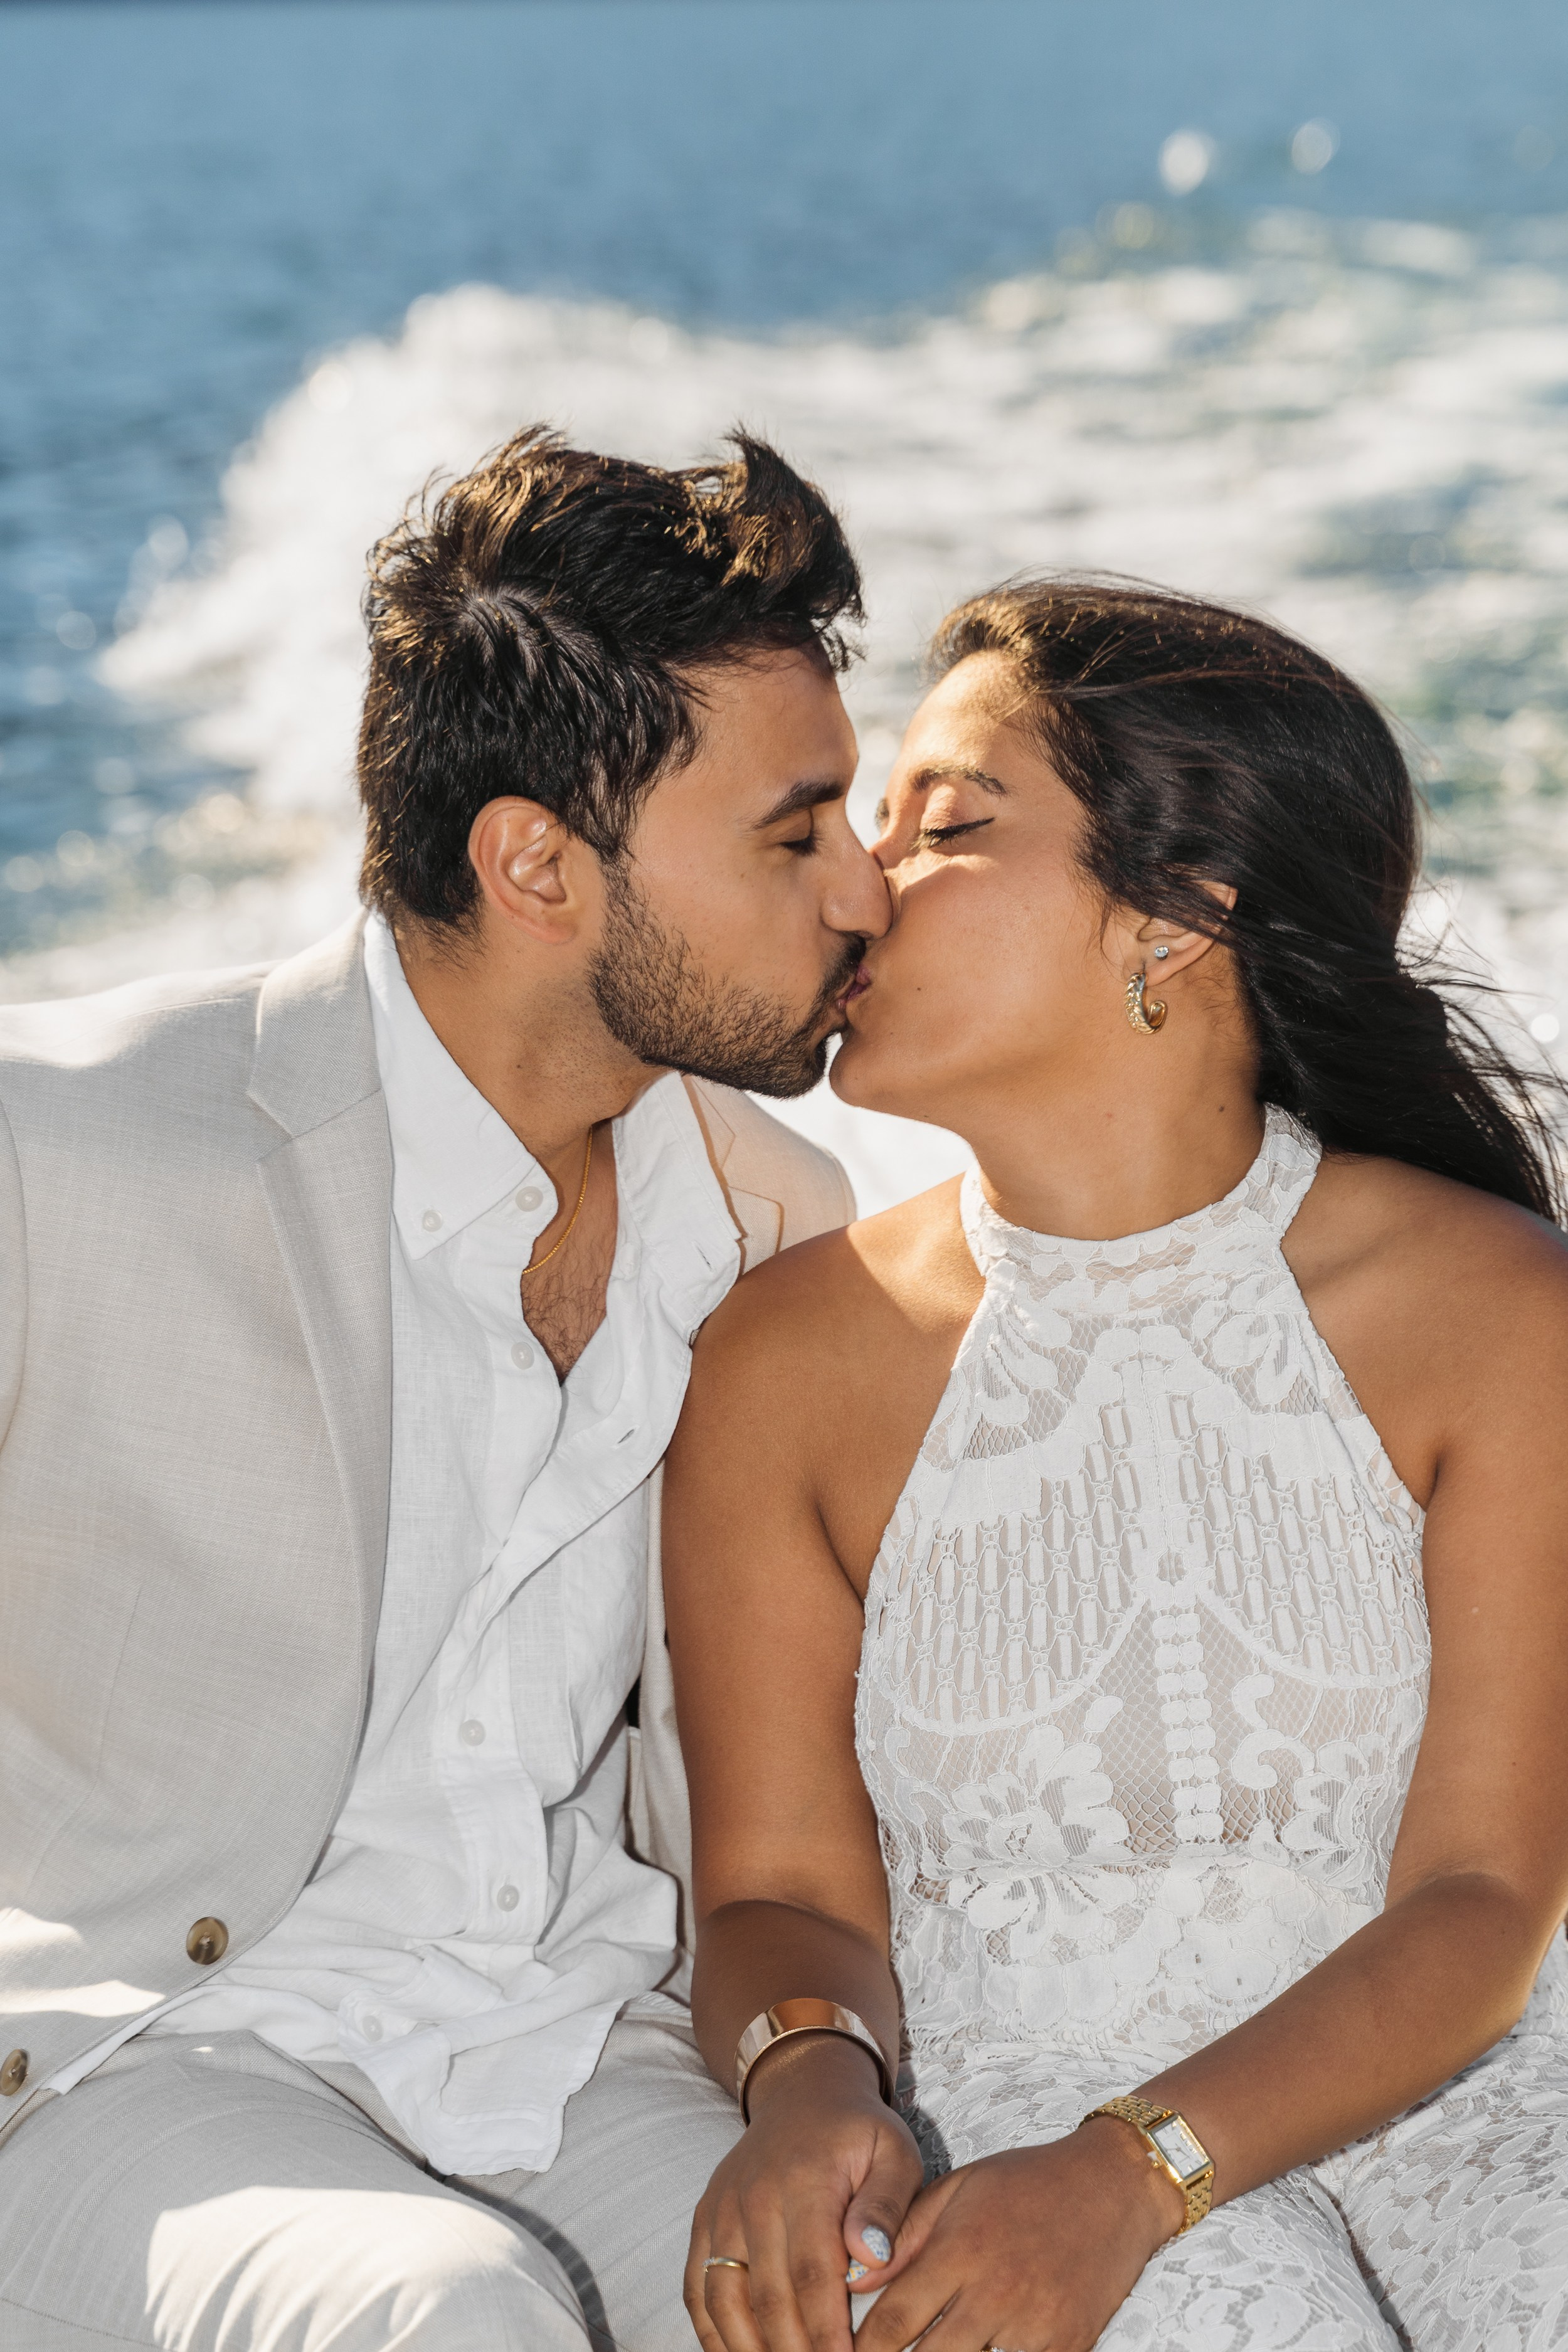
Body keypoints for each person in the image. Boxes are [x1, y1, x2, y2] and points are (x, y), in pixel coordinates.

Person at [0, 426, 893, 2352]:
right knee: (452, 2319)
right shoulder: (53, 1146)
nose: (867, 891)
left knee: (906, 2310)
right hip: (135, 2068)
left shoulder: (769, 1220)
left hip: (568, 2047)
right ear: (533, 866)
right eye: (792, 832)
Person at [666, 581, 1568, 2352]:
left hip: (1451, 2086)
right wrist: (806, 2090)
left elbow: (1483, 1895)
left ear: (1175, 918)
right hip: (1000, 2128)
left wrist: (1137, 2169)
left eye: (945, 829)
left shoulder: (1495, 1309)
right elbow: (778, 1889)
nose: (855, 883)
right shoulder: (777, 1360)